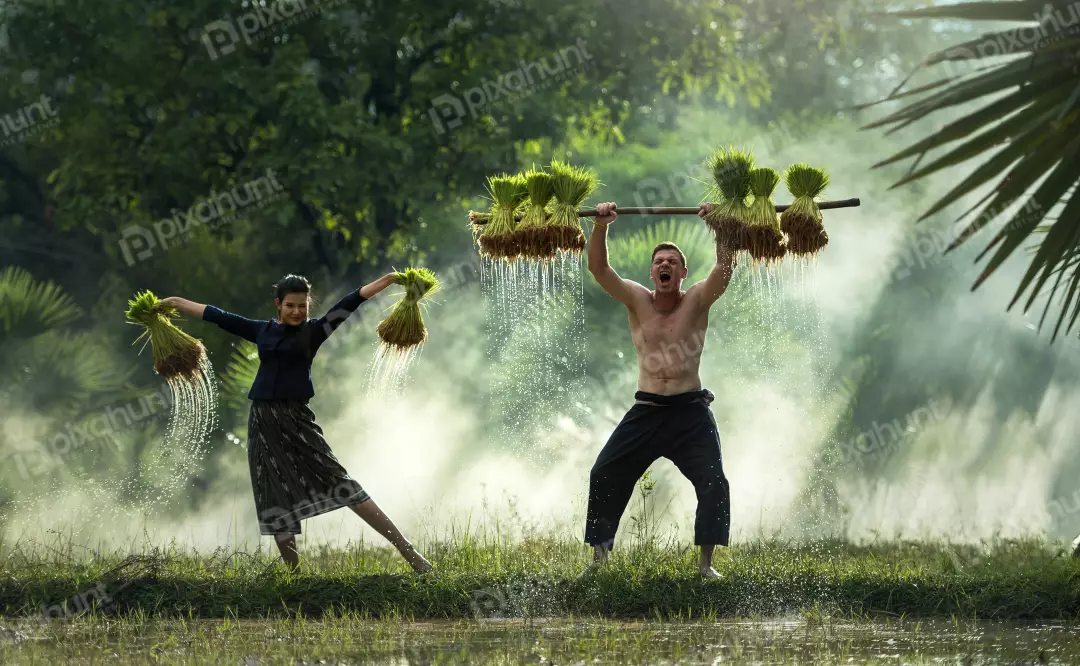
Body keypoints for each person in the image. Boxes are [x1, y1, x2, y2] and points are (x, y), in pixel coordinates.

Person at [160, 274, 433, 573]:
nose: (296, 311)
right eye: (290, 305)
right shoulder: (261, 331)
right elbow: (218, 316)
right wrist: (174, 303)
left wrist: (390, 280)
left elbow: (351, 301)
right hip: (262, 422)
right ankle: (295, 576)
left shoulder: (316, 331)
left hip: (297, 420)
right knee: (272, 493)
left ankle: (410, 554)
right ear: (278, 304)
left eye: (302, 306)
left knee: (342, 484)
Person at [582, 202, 735, 578]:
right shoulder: (637, 299)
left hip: (690, 411)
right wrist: (601, 226)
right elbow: (599, 270)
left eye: (672, 261)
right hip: (647, 409)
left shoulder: (697, 300)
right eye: (659, 262)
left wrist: (719, 228)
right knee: (604, 473)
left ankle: (705, 566)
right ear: (651, 272)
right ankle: (600, 560)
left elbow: (725, 269)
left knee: (714, 481)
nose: (665, 265)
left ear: (683, 272)